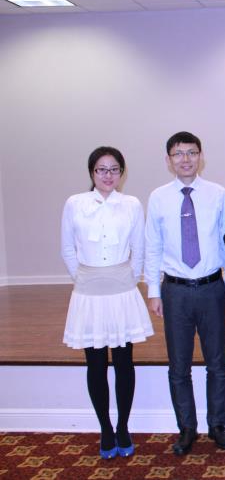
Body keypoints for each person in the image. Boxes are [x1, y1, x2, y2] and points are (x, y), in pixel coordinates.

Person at [144, 131, 225, 456]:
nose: (186, 159)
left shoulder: (218, 194)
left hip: (212, 288)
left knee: (217, 362)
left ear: (201, 156)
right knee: (179, 366)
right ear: (168, 160)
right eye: (178, 153)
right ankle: (186, 428)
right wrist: (153, 290)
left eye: (192, 152)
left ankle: (217, 425)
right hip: (175, 291)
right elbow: (152, 246)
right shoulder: (158, 197)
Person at [61, 146, 154, 459]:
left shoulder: (131, 204)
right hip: (88, 293)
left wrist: (126, 278)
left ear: (122, 173)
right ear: (92, 172)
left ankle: (123, 426)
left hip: (122, 291)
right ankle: (105, 428)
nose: (108, 175)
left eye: (114, 169)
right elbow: (67, 248)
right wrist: (83, 278)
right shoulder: (75, 203)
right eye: (102, 169)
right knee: (96, 363)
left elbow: (139, 249)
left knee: (124, 361)